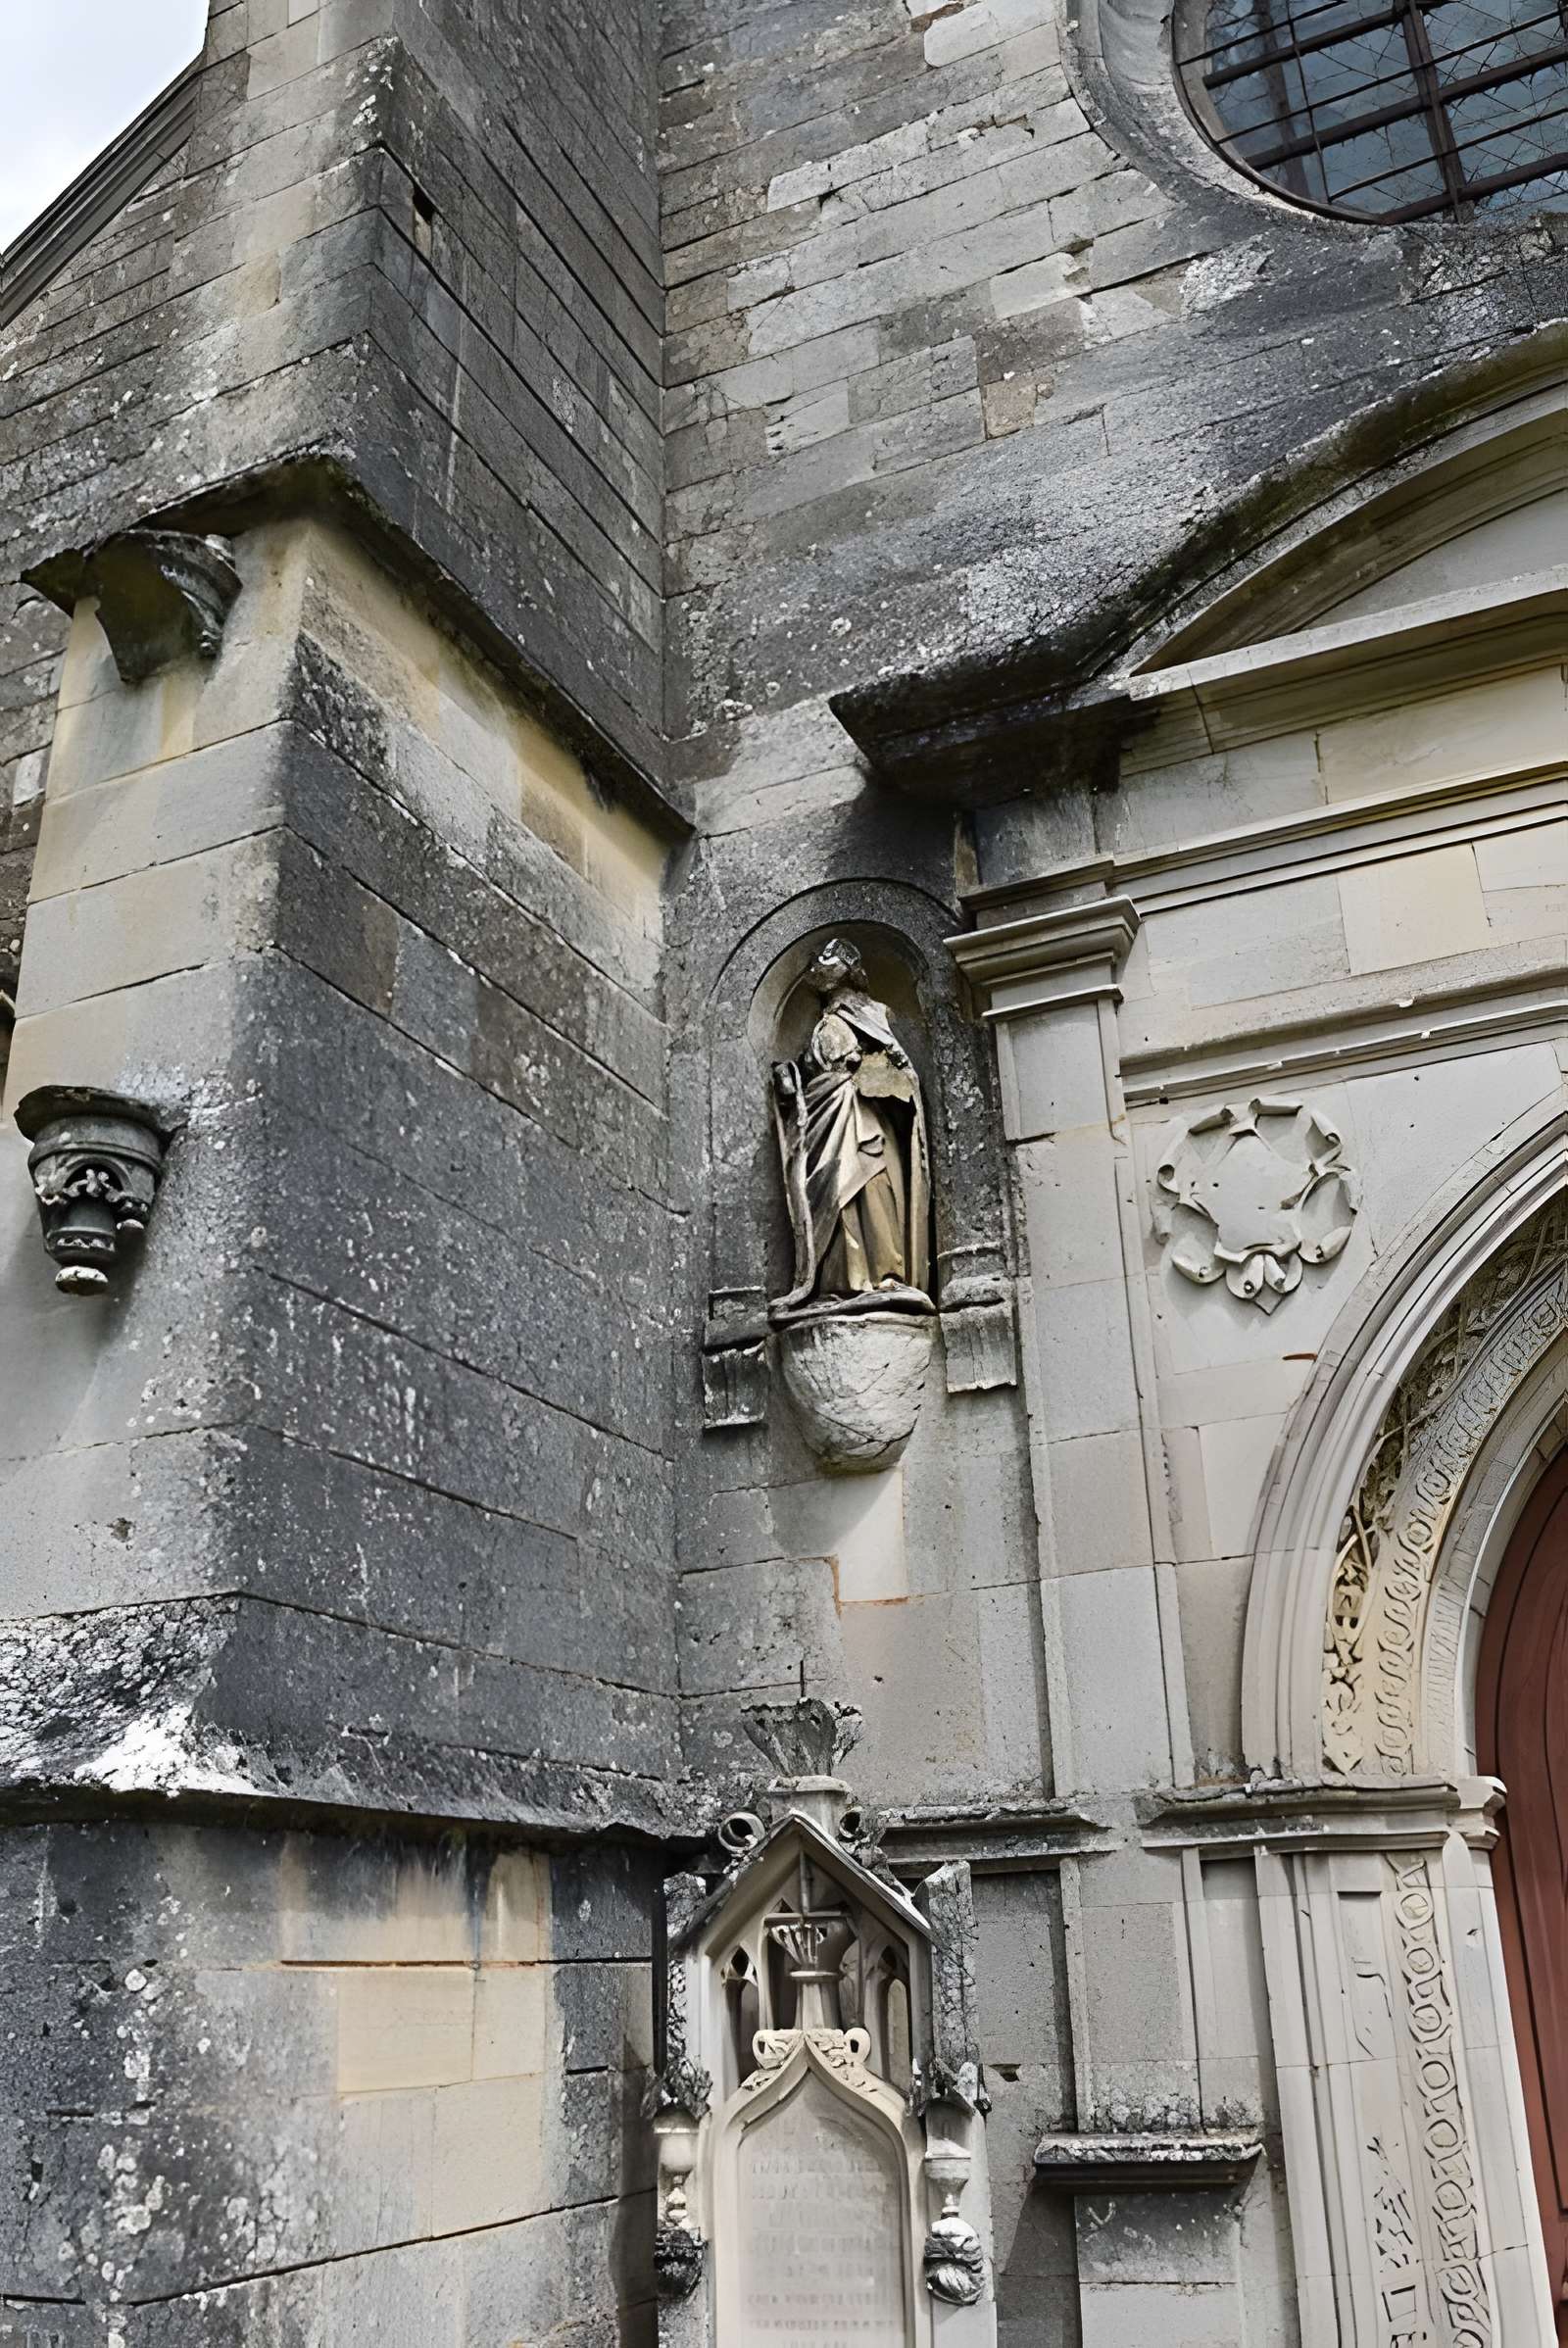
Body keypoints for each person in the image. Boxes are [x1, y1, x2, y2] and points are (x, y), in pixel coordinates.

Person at [771, 939, 931, 1318]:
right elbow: (809, 1071)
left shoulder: (874, 1016)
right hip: (826, 1116)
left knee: (874, 1185)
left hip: (865, 1116)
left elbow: (901, 1074)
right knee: (834, 1192)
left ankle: (885, 1276)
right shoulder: (823, 1025)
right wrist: (789, 1075)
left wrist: (876, 1071)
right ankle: (842, 1283)